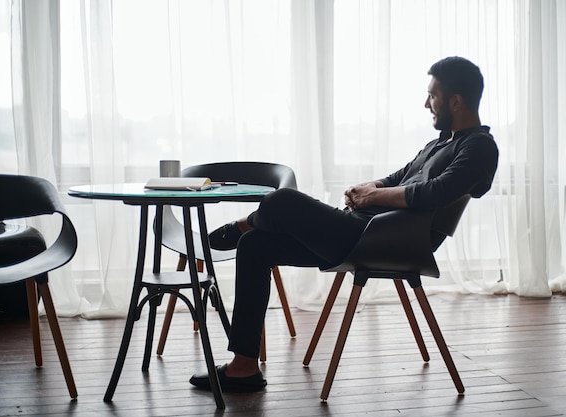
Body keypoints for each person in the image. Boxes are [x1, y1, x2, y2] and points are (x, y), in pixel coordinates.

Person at [190, 56, 499, 392]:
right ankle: (244, 368)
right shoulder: (442, 142)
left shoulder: (479, 147)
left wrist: (372, 199)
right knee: (255, 247)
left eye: (433, 96)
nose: (427, 104)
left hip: (386, 241)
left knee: (279, 201)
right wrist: (368, 188)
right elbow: (399, 177)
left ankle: (243, 224)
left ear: (456, 101)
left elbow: (434, 193)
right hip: (361, 231)